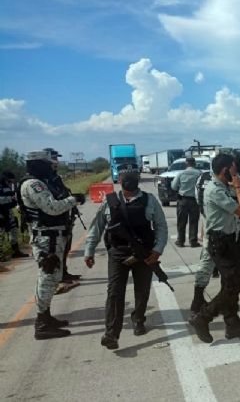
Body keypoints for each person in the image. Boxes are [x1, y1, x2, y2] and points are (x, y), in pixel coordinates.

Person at [84, 165, 168, 350]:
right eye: (125, 177)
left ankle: (138, 319)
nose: (129, 180)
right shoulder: (110, 201)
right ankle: (111, 334)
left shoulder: (149, 200)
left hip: (144, 253)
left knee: (142, 290)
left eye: (133, 177)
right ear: (119, 181)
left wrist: (157, 250)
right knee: (114, 293)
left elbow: (161, 226)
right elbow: (97, 228)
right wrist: (89, 250)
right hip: (118, 253)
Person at [189, 153, 240, 343]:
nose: (237, 172)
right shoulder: (214, 190)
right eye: (234, 169)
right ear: (225, 169)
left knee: (231, 286)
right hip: (220, 242)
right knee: (232, 286)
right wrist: (237, 187)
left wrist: (238, 185)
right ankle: (203, 317)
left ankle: (233, 324)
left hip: (231, 240)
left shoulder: (227, 187)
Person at [17, 150, 85, 339]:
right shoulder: (34, 184)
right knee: (48, 279)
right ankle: (42, 323)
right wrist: (74, 200)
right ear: (39, 165)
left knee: (52, 278)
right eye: (47, 164)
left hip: (52, 236)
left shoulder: (40, 182)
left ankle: (46, 317)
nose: (51, 166)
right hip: (47, 239)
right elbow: (52, 208)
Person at [43, 148, 81, 283]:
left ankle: (64, 273)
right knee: (56, 252)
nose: (56, 162)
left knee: (66, 247)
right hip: (52, 222)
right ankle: (58, 277)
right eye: (54, 158)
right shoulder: (43, 179)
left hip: (64, 217)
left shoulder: (55, 177)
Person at [171, 157, 202, 247]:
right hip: (195, 201)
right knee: (194, 221)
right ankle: (193, 241)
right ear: (194, 163)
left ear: (186, 163)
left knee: (181, 222)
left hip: (183, 200)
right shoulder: (199, 173)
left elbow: (173, 186)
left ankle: (180, 241)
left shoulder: (181, 173)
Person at [0, 171, 28, 258]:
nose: (11, 183)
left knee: (14, 230)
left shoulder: (7, 186)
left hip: (9, 211)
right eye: (10, 181)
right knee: (1, 233)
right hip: (0, 212)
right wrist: (11, 198)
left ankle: (16, 251)